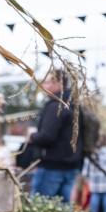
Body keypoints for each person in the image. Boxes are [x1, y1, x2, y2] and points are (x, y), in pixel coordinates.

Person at [27, 69, 83, 203]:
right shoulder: (74, 105)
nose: (44, 87)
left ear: (59, 84)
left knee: (39, 208)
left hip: (52, 166)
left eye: (47, 83)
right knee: (63, 211)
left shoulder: (56, 106)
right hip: (71, 165)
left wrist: (32, 136)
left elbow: (47, 137)